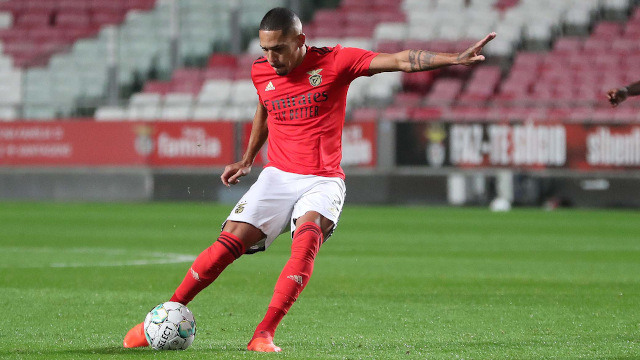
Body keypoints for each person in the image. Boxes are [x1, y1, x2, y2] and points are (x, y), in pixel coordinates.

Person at [123, 7, 496, 352]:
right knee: (226, 245)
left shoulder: (336, 62)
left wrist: (454, 59)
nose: (272, 58)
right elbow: (265, 107)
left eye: (280, 49)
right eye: (265, 49)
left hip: (322, 179)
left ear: (301, 41)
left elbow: (398, 60)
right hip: (277, 176)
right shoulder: (262, 70)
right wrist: (249, 157)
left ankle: (263, 334)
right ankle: (161, 316)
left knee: (305, 242)